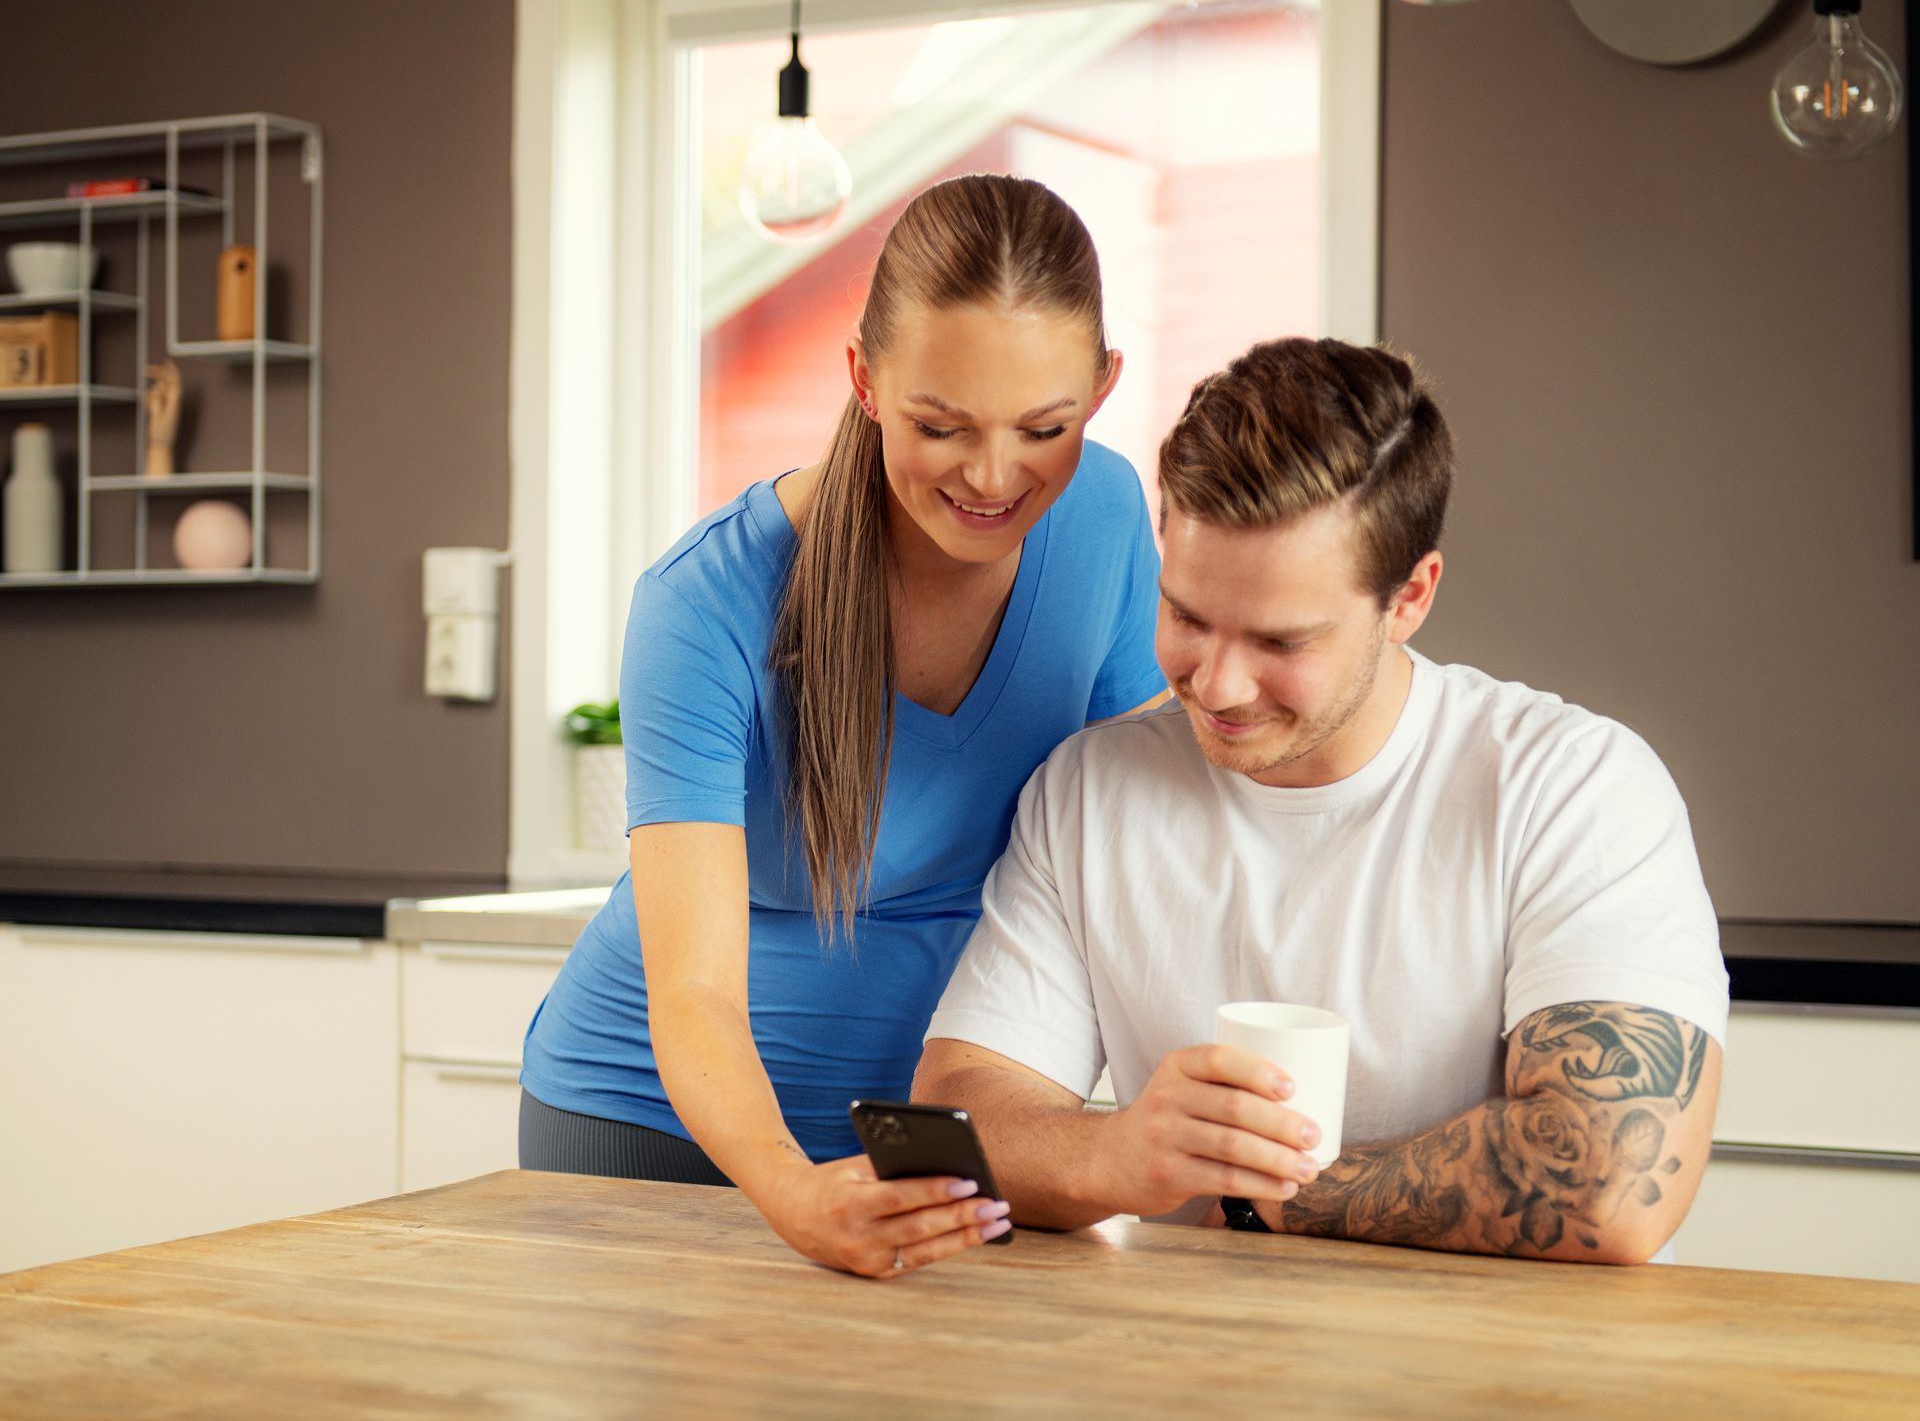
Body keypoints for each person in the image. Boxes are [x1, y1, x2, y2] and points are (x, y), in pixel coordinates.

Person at [914, 337, 1729, 1264]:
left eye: (1280, 640)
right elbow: (955, 1117)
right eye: (1184, 615)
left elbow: (1611, 1180)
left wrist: (1257, 1197)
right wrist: (1116, 1152)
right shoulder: (1092, 791)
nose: (1215, 685)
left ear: (1409, 597)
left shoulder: (1573, 788)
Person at [518, 175, 1168, 1279]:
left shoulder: (1105, 517)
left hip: (934, 1142)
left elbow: (1139, 838)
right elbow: (696, 989)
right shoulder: (702, 604)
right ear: (864, 378)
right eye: (940, 423)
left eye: (1043, 427)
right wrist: (789, 1187)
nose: (993, 474)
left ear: (1103, 389)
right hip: (655, 1133)